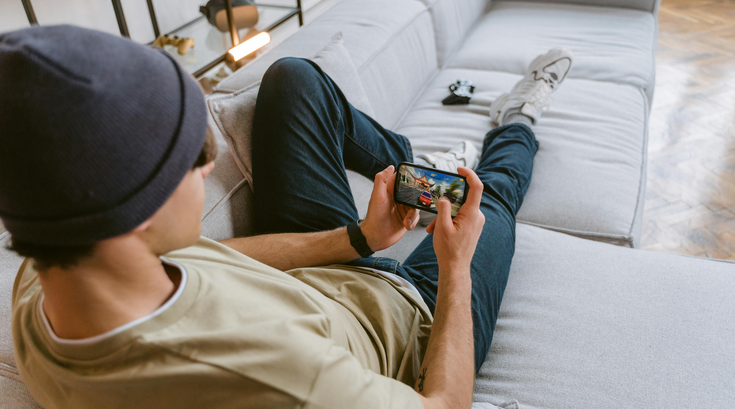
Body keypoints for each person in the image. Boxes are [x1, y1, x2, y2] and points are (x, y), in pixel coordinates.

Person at [2, 25, 572, 409]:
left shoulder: (50, 271)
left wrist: (358, 238)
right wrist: (456, 267)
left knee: (295, 79)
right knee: (488, 201)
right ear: (134, 216)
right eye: (190, 159)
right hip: (412, 323)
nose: (209, 166)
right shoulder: (277, 375)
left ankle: (415, 170)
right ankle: (518, 121)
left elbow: (214, 257)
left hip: (317, 282)